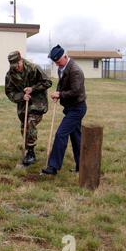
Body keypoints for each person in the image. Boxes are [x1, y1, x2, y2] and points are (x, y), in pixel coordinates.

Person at [42, 45, 87, 175]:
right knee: (76, 138)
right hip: (70, 108)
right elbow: (62, 83)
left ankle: (53, 167)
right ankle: (81, 166)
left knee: (61, 134)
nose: (56, 64)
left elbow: (76, 91)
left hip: (77, 108)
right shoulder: (62, 67)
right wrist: (58, 91)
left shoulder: (75, 70)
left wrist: (60, 94)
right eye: (55, 62)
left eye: (58, 61)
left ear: (65, 56)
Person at [5, 50, 52, 166]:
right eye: (13, 66)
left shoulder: (34, 68)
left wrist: (33, 88)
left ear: (21, 60)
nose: (16, 68)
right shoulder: (10, 74)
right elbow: (9, 91)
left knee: (30, 123)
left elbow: (48, 82)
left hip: (37, 104)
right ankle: (28, 149)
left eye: (17, 64)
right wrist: (21, 96)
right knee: (24, 127)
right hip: (23, 105)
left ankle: (31, 153)